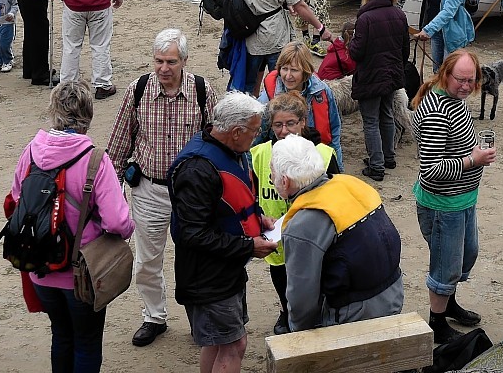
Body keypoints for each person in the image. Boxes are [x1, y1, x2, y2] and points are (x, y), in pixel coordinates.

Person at [10, 80, 134, 373]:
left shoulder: (32, 150)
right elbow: (118, 222)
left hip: (41, 270)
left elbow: (16, 198)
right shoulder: (95, 161)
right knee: (87, 342)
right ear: (88, 116)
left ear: (54, 112)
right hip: (82, 274)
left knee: (61, 336)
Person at [105, 27, 214, 349]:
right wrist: (109, 189)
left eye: (170, 61)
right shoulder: (137, 90)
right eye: (158, 61)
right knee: (147, 260)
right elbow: (118, 143)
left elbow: (216, 141)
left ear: (184, 61)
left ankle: (199, 318)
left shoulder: (203, 90)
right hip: (149, 190)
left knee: (194, 260)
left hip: (192, 195)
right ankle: (154, 317)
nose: (164, 68)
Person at [167, 92, 278, 373]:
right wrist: (247, 247)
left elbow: (234, 199)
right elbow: (190, 234)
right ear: (237, 132)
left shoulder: (232, 152)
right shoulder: (197, 169)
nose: (257, 135)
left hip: (225, 269)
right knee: (234, 344)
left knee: (218, 343)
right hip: (207, 277)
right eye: (255, 130)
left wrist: (257, 217)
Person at [272, 134, 404, 331]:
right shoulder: (349, 183)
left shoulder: (302, 224)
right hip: (393, 293)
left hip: (356, 315)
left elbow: (302, 300)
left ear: (285, 181)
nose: (271, 178)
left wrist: (300, 335)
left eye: (271, 173)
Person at [412, 49, 495, 343]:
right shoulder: (437, 112)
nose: (466, 86)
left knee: (465, 255)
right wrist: (472, 161)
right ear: (446, 74)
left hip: (462, 198)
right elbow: (431, 169)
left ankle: (449, 304)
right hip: (442, 204)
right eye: (460, 79)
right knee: (446, 265)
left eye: (471, 80)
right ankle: (436, 322)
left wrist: (472, 155)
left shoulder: (455, 100)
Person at [251, 95, 341, 335]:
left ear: (303, 122)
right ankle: (285, 310)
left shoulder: (323, 153)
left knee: (313, 277)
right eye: (278, 125)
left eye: (290, 123)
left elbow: (337, 190)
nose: (284, 131)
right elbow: (253, 191)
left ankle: (315, 315)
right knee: (281, 276)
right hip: (276, 234)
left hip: (312, 233)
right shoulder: (259, 153)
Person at [350, 0, 408, 181]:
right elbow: (404, 51)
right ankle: (388, 157)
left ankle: (376, 165)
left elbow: (356, 52)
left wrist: (350, 42)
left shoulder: (365, 18)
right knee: (387, 115)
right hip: (391, 74)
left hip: (370, 76)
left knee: (371, 121)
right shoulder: (399, 14)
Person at [258, 42, 343, 162]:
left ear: (305, 71)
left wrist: (337, 168)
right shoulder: (268, 97)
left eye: (294, 70)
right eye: (284, 69)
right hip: (281, 160)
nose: (288, 76)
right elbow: (257, 137)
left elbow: (335, 132)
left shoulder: (322, 92)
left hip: (313, 159)